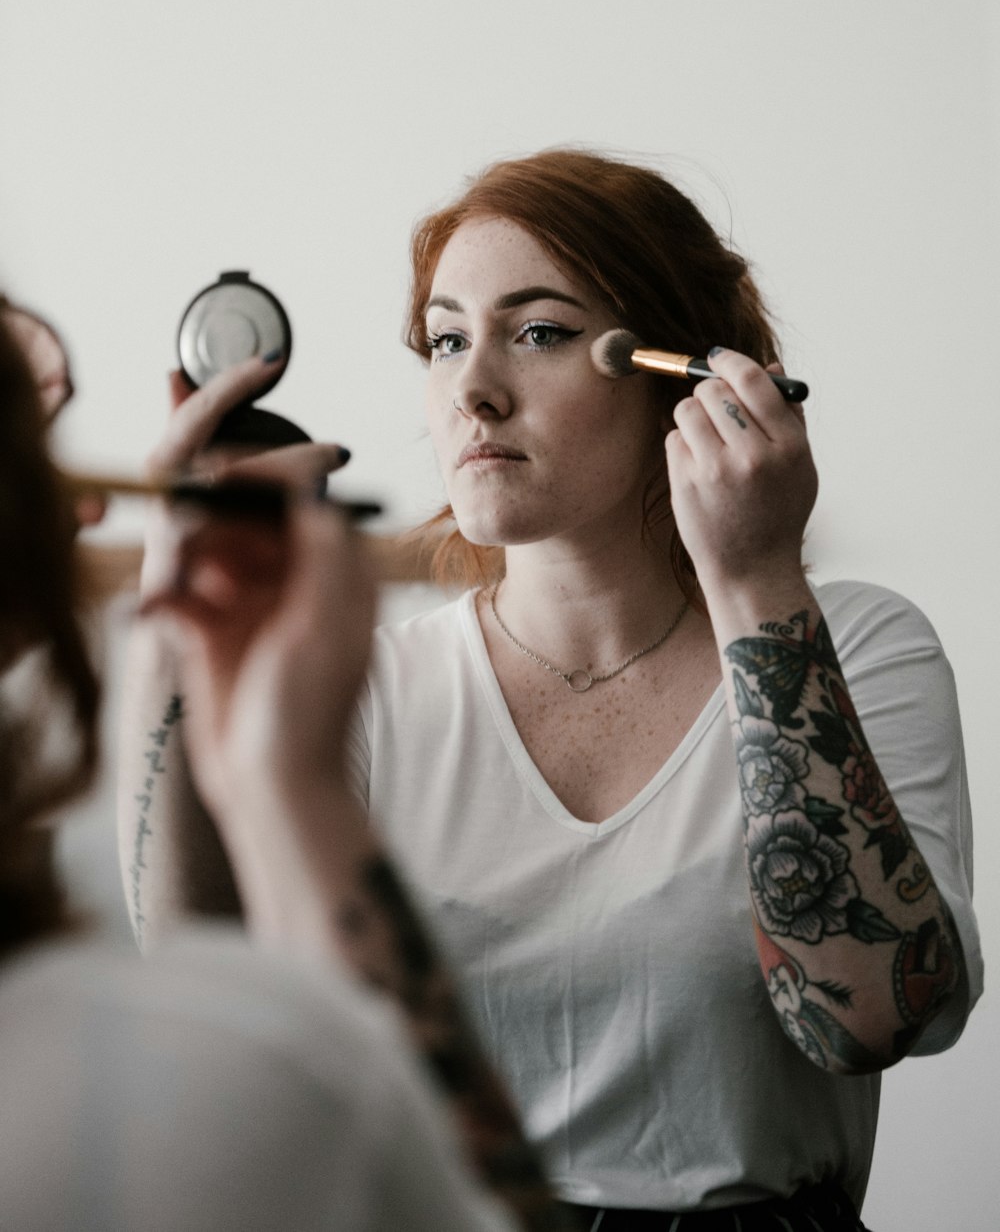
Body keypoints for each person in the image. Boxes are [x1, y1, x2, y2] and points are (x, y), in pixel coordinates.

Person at [121, 147, 983, 1231]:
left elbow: (865, 1022)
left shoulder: (852, 645)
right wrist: (171, 639)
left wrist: (757, 580)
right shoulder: (369, 686)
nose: (472, 388)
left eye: (539, 331)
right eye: (444, 339)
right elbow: (206, 989)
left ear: (690, 371)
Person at [0, 297, 571, 1232]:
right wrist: (284, 781)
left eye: (541, 331)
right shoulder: (207, 1083)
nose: (95, 505)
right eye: (39, 457)